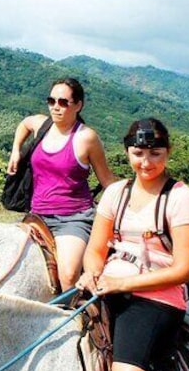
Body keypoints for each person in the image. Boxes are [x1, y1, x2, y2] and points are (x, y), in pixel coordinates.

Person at [76, 118, 189, 371]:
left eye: (155, 154)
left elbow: (184, 269)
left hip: (155, 300)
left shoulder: (181, 198)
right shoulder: (115, 193)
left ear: (168, 152)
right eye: (138, 153)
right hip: (108, 288)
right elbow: (95, 250)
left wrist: (124, 282)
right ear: (127, 152)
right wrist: (91, 272)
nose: (146, 163)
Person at [7, 77, 115, 290]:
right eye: (51, 101)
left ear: (78, 105)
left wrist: (141, 192)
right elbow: (25, 123)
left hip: (72, 218)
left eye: (63, 102)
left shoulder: (86, 138)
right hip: (36, 215)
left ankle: (76, 319)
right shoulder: (42, 125)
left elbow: (106, 180)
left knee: (68, 275)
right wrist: (16, 150)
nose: (56, 107)